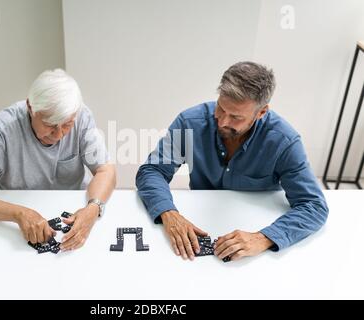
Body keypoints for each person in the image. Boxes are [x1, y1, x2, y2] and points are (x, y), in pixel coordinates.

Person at [136, 61, 328, 262]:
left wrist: (264, 238)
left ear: (261, 112)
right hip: (200, 227)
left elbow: (313, 206)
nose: (223, 121)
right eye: (221, 108)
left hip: (257, 247)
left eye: (236, 117)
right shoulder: (189, 122)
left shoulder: (284, 141)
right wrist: (169, 213)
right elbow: (152, 171)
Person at [0, 69, 116, 251]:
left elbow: (105, 170)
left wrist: (93, 208)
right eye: (50, 125)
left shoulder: (82, 116)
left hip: (71, 212)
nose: (59, 135)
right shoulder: (2, 130)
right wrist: (18, 213)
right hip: (12, 224)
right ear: (30, 107)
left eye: (67, 125)